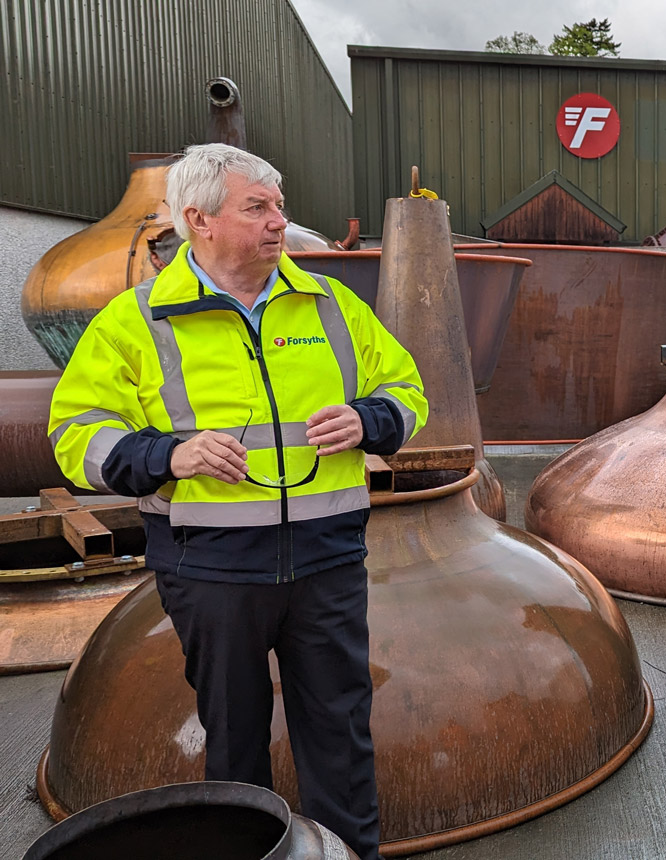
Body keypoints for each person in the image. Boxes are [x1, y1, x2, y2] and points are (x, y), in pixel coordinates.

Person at [48, 143, 427, 860]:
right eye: (258, 207)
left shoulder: (330, 305)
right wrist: (167, 454)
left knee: (341, 736)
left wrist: (369, 420)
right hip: (211, 571)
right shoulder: (136, 322)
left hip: (327, 564)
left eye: (278, 206)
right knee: (234, 742)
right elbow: (75, 435)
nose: (279, 221)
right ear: (199, 220)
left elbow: (407, 391)